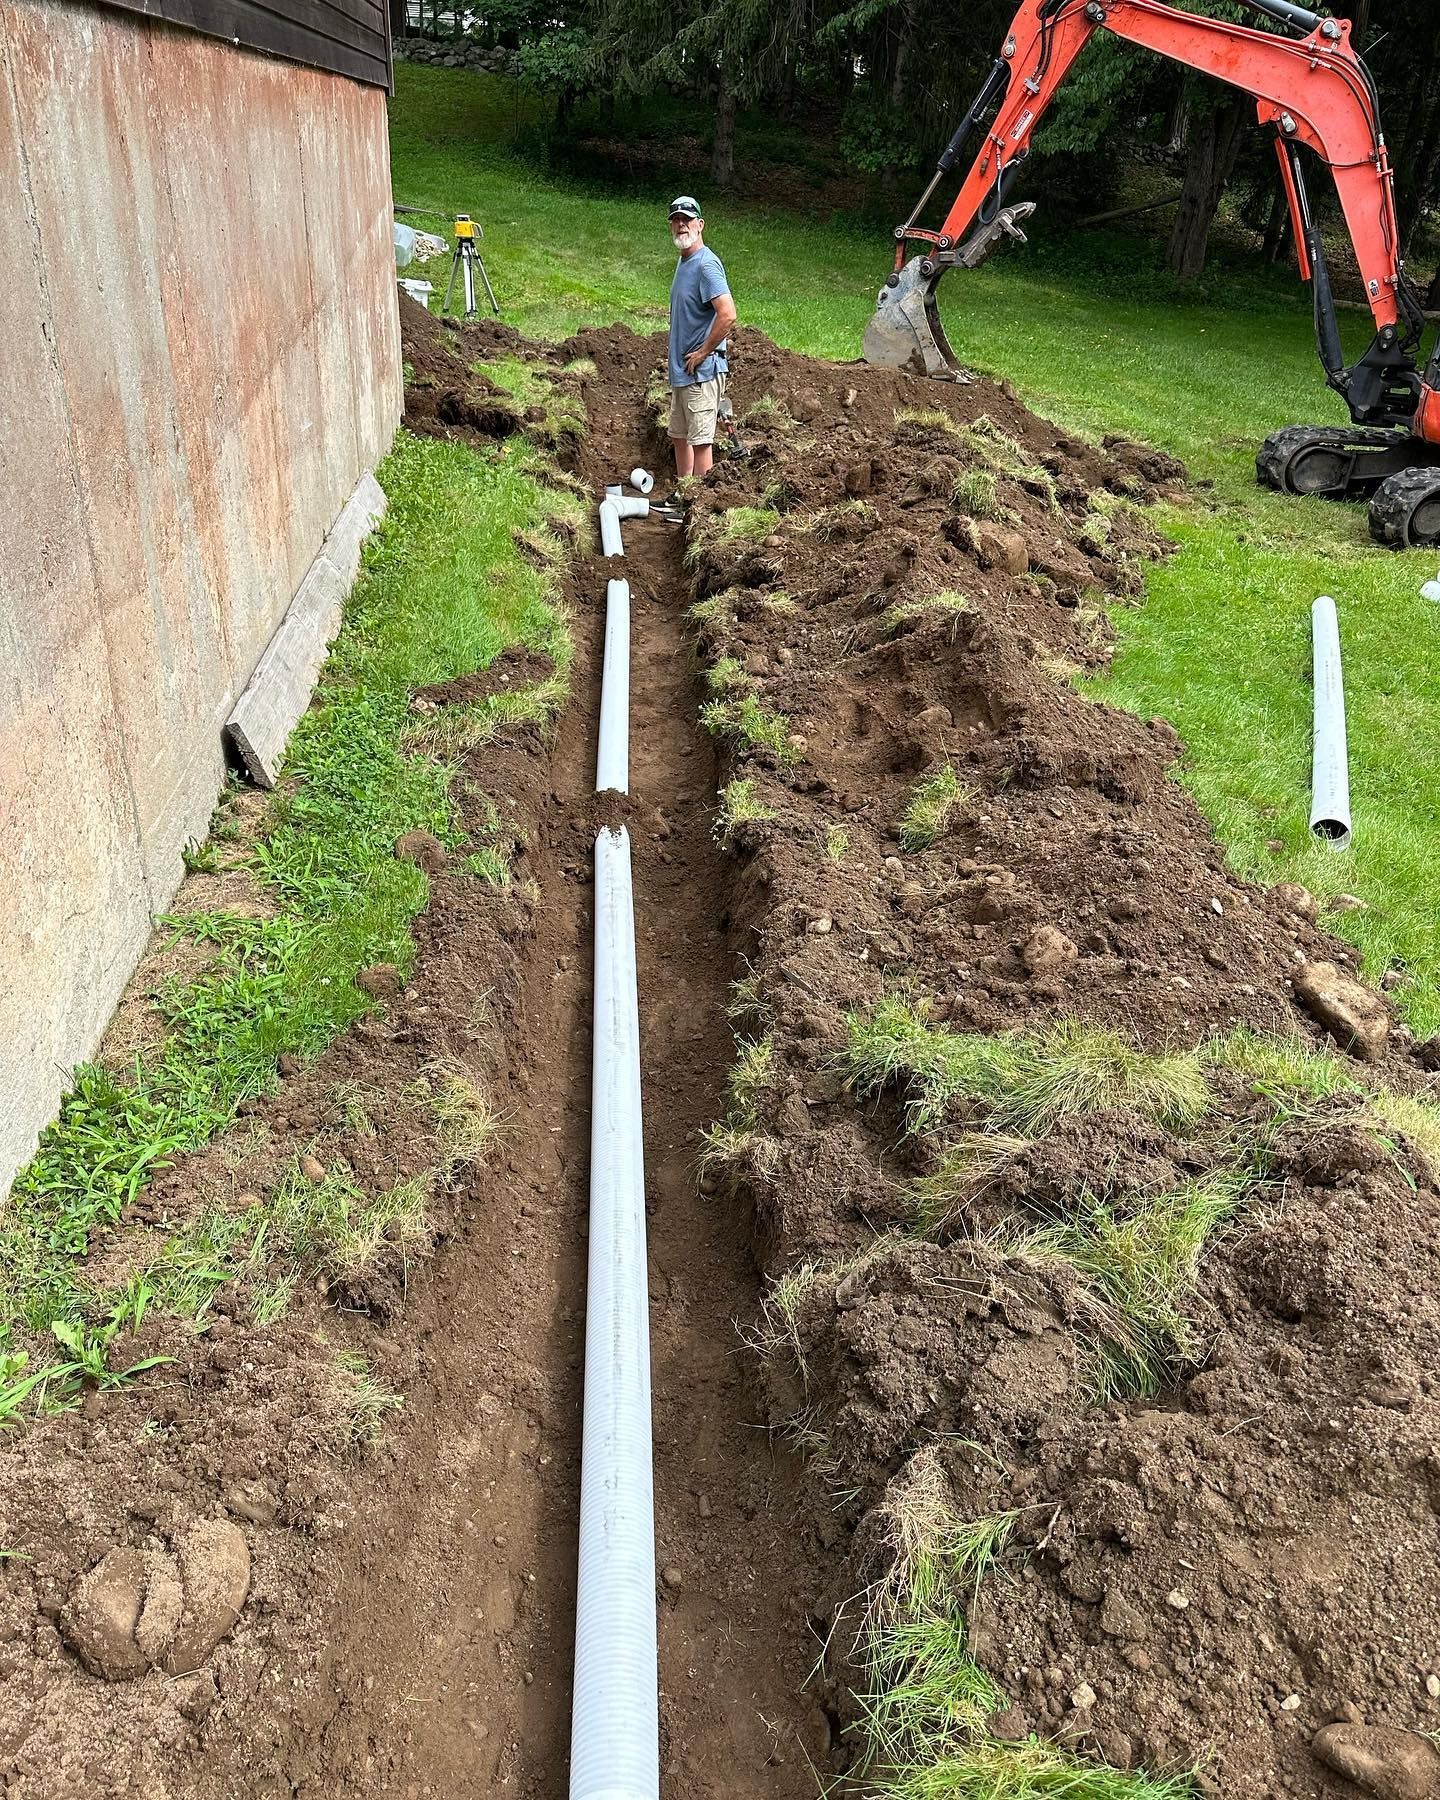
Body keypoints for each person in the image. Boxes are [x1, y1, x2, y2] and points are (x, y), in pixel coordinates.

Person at [664, 196, 737, 494]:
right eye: (676, 220)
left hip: (702, 372)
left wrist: (705, 351)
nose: (682, 225)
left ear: (700, 224)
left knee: (701, 440)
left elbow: (728, 314)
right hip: (684, 371)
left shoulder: (707, 264)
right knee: (679, 435)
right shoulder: (685, 263)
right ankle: (683, 495)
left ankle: (699, 505)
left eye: (687, 219)